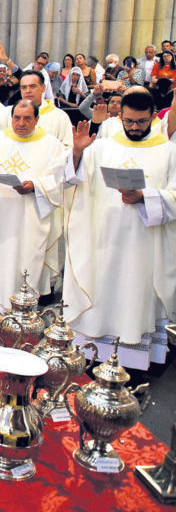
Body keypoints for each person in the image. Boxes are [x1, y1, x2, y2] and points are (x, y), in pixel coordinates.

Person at [64, 88, 176, 369]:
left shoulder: (168, 151)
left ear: (153, 117)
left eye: (141, 122)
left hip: (144, 243)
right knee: (103, 291)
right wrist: (77, 153)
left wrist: (145, 197)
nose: (134, 127)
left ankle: (134, 358)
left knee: (135, 294)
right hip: (104, 240)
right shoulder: (101, 147)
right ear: (120, 117)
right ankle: (93, 352)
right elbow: (72, 181)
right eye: (128, 122)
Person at [0, 101, 68, 305]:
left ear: (37, 119)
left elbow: (59, 180)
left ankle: (19, 316)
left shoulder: (52, 145)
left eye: (27, 118)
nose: (21, 123)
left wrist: (36, 186)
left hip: (29, 220)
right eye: (17, 118)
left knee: (26, 263)